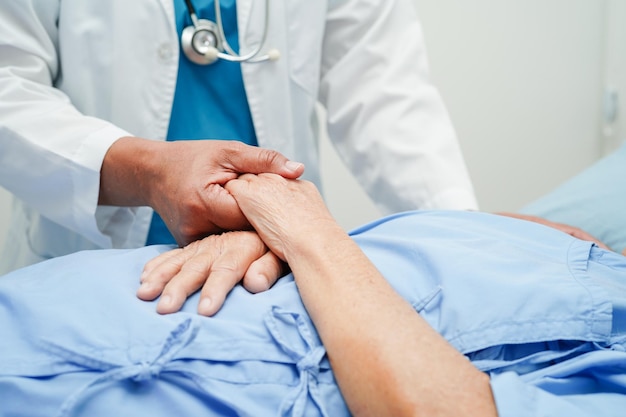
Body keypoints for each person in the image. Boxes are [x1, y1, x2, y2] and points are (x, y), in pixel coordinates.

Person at [1, 172, 625, 416]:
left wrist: (306, 235)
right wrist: (268, 241)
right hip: (66, 301)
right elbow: (404, 250)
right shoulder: (577, 243)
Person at [0, 0, 479, 276]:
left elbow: (381, 87)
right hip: (88, 262)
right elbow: (9, 87)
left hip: (274, 263)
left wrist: (465, 238)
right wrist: (144, 171)